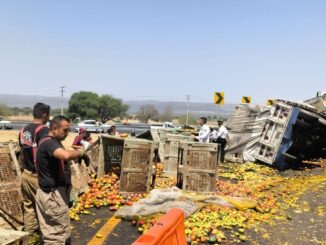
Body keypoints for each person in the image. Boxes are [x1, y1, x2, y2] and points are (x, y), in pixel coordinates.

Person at [35, 115, 84, 245]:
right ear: (55, 128)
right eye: (65, 130)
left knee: (50, 233)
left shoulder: (50, 141)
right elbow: (65, 155)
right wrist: (81, 153)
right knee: (57, 236)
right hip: (52, 196)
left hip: (48, 194)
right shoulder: (49, 143)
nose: (67, 133)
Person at [18, 102, 50, 240]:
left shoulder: (23, 130)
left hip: (26, 174)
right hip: (38, 176)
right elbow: (46, 153)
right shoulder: (43, 130)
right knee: (45, 208)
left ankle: (30, 237)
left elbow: (22, 153)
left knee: (29, 207)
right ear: (44, 115)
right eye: (48, 115)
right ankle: (46, 237)